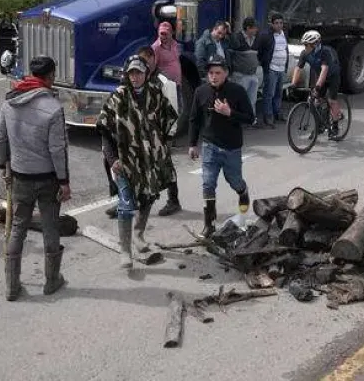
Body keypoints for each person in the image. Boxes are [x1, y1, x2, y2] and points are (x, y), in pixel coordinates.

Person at [0, 56, 72, 300]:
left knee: (17, 228)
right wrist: (64, 182)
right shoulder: (53, 108)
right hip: (48, 178)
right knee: (50, 226)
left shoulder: (11, 101)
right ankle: (51, 281)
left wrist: (3, 166)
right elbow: (57, 150)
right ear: (50, 77)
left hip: (20, 176)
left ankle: (12, 286)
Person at [97, 55, 178, 268]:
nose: (135, 77)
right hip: (124, 161)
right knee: (125, 204)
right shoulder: (118, 97)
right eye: (132, 73)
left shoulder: (155, 94)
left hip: (150, 161)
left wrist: (165, 146)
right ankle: (125, 251)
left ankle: (139, 234)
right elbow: (104, 130)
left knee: (149, 197)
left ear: (146, 74)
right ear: (127, 74)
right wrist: (112, 158)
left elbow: (170, 120)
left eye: (139, 72)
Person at [189, 55, 255, 237]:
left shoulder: (237, 91)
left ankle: (243, 191)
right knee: (208, 184)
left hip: (231, 148)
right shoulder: (200, 92)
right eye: (210, 73)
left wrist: (229, 112)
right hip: (210, 147)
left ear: (226, 73)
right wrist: (192, 144)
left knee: (234, 181)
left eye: (218, 72)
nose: (214, 76)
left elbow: (250, 118)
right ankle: (209, 224)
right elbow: (194, 120)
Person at [138, 45, 181, 216]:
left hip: (160, 133)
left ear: (153, 59)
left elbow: (173, 110)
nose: (144, 66)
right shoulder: (138, 78)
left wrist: (169, 136)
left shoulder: (164, 81)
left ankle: (174, 201)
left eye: (146, 61)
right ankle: (129, 201)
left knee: (165, 166)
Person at [291, 30, 343, 136]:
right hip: (320, 75)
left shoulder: (325, 52)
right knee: (314, 102)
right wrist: (293, 83)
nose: (305, 47)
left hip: (332, 76)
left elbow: (324, 70)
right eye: (304, 44)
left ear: (315, 44)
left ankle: (335, 126)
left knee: (332, 100)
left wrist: (318, 87)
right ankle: (320, 126)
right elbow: (298, 68)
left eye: (307, 45)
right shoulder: (305, 53)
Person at [229, 17, 263, 128]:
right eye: (254, 28)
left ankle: (250, 121)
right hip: (240, 75)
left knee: (252, 100)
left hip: (253, 75)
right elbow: (231, 53)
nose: (256, 30)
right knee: (239, 98)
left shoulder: (255, 39)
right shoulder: (237, 38)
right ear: (248, 28)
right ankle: (237, 121)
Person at [258, 13, 288, 128]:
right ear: (272, 24)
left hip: (281, 69)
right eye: (276, 23)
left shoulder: (283, 34)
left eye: (281, 23)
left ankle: (277, 113)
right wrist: (265, 63)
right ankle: (268, 116)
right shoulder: (266, 35)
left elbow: (285, 49)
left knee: (279, 93)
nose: (279, 25)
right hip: (271, 68)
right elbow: (260, 50)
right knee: (268, 93)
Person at [151, 21, 182, 89]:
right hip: (165, 86)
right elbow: (152, 68)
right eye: (162, 33)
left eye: (166, 34)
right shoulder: (155, 48)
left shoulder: (175, 44)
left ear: (171, 34)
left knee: (178, 99)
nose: (163, 36)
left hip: (177, 83)